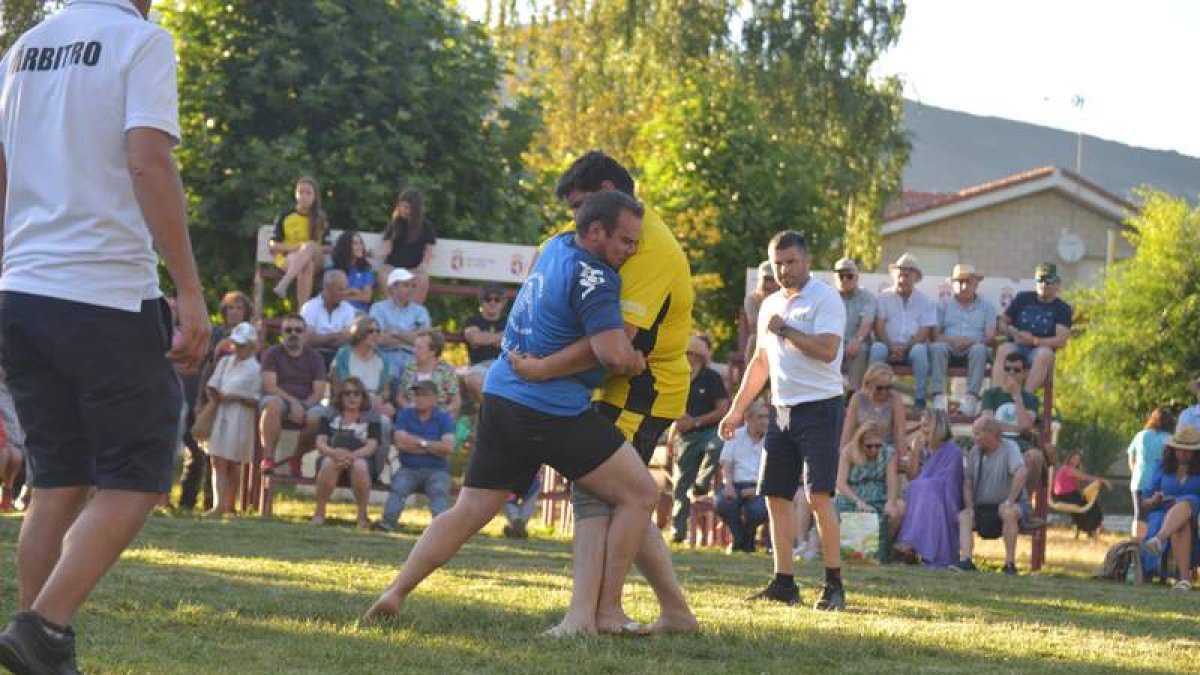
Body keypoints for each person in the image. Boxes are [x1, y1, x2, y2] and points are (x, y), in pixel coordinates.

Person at [0, 1, 211, 670]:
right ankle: (44, 627)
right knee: (141, 471)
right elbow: (148, 161)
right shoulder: (140, 41)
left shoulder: (25, 48)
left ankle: (39, 650)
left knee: (59, 479)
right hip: (101, 292)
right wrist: (190, 288)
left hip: (21, 286)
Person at [362, 190, 657, 632]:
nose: (632, 252)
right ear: (596, 232)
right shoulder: (596, 277)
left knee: (468, 511)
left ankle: (396, 591)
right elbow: (613, 355)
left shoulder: (557, 246)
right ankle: (609, 610)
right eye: (626, 241)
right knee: (640, 493)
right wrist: (634, 361)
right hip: (550, 412)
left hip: (501, 396)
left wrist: (541, 365)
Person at [509, 151, 698, 635]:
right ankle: (672, 612)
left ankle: (595, 613)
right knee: (621, 495)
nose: (575, 220)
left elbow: (616, 347)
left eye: (579, 206)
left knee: (603, 495)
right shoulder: (602, 234)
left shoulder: (647, 247)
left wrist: (541, 368)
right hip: (620, 386)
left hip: (641, 389)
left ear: (609, 191)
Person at [720, 229, 848, 611]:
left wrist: (787, 330)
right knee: (775, 495)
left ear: (807, 260)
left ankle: (834, 584)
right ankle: (784, 582)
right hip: (780, 408)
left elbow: (827, 351)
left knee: (818, 496)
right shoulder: (770, 304)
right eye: (778, 263)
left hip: (821, 407)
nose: (784, 269)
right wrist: (737, 409)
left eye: (791, 262)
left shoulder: (826, 299)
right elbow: (760, 363)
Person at [667, 335, 729, 543]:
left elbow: (722, 409)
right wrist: (675, 426)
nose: (689, 358)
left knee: (716, 445)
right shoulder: (676, 376)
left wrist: (695, 422)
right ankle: (678, 530)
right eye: (686, 354)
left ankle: (702, 484)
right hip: (684, 435)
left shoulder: (711, 377)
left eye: (692, 354)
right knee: (680, 483)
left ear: (701, 357)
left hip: (708, 430)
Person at [375, 381, 456, 532]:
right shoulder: (405, 414)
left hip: (437, 470)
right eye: (417, 395)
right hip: (408, 468)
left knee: (439, 490)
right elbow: (401, 443)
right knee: (398, 487)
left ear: (434, 398)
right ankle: (387, 524)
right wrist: (432, 447)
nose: (419, 399)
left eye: (424, 395)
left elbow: (447, 447)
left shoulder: (444, 418)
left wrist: (419, 443)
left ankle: (442, 531)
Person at [954, 418, 1030, 576]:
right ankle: (967, 560)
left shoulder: (1010, 448)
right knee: (964, 516)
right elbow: (967, 482)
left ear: (991, 434)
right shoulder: (975, 452)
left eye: (977, 433)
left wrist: (1009, 501)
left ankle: (1009, 564)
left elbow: (1021, 472)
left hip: (1006, 505)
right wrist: (969, 507)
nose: (974, 437)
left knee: (1009, 513)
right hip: (982, 508)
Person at [891, 409, 963, 568]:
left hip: (943, 497)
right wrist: (915, 451)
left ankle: (910, 545)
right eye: (922, 425)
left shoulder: (953, 451)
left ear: (939, 427)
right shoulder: (922, 448)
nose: (923, 429)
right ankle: (908, 548)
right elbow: (912, 477)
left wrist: (926, 485)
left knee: (925, 491)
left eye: (927, 425)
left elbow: (950, 481)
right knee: (919, 489)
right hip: (919, 495)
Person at [203, 322, 262, 516]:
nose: (238, 349)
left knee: (234, 460)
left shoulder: (256, 369)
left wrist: (236, 397)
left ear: (252, 346)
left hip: (241, 416)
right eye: (236, 344)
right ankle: (219, 504)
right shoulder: (225, 362)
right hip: (221, 412)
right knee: (217, 459)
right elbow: (214, 383)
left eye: (243, 345)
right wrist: (215, 395)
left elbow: (256, 399)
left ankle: (229, 504)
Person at [258, 314, 327, 473]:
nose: (293, 334)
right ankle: (268, 459)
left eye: (298, 330)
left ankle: (296, 457)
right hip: (279, 399)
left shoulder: (315, 358)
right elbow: (270, 387)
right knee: (272, 405)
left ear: (305, 333)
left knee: (320, 418)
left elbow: (319, 392)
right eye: (288, 330)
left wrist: (303, 406)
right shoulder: (272, 354)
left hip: (308, 404)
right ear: (282, 333)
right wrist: (293, 403)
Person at [311, 377, 382, 529]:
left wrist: (351, 456)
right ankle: (319, 512)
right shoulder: (329, 413)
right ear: (340, 396)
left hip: (360, 458)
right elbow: (320, 442)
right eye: (347, 393)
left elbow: (372, 445)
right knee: (329, 463)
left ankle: (362, 516)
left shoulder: (371, 416)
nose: (352, 397)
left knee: (360, 466)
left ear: (363, 397)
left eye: (357, 394)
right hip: (333, 456)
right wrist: (334, 453)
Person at [869, 253, 937, 411]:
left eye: (907, 275)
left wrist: (905, 347)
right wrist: (891, 346)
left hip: (912, 347)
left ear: (916, 277)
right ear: (894, 275)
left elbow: (924, 331)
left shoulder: (925, 301)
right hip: (888, 345)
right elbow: (879, 326)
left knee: (920, 351)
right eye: (900, 274)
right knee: (877, 348)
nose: (903, 278)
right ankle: (871, 395)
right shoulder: (883, 297)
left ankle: (919, 400)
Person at [993, 262, 1072, 393]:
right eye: (1040, 279)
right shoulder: (1023, 298)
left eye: (1049, 280)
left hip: (1040, 349)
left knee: (1044, 355)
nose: (1044, 284)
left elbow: (1061, 340)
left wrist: (1034, 341)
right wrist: (1011, 332)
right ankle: (997, 396)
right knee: (1003, 349)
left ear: (1057, 283)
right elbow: (1002, 322)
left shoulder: (1062, 308)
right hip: (1017, 345)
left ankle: (1026, 398)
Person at [929, 264, 996, 415]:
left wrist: (970, 341)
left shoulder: (987, 307)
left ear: (976, 283)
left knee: (980, 350)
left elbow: (990, 336)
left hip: (973, 349)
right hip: (948, 347)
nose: (964, 286)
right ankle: (939, 397)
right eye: (959, 282)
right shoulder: (942, 305)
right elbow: (935, 335)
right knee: (937, 347)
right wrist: (952, 341)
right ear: (952, 284)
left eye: (968, 281)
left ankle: (971, 398)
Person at [1139, 425, 1200, 591]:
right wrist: (1153, 500)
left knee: (1189, 500)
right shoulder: (1162, 466)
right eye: (1179, 449)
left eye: (1188, 450)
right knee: (1181, 524)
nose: (1182, 453)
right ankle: (1184, 580)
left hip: (1195, 513)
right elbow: (1145, 501)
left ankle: (1159, 538)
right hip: (1166, 514)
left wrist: (1181, 500)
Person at [980, 351, 1049, 493]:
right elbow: (988, 424)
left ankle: (1024, 501)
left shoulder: (1030, 399)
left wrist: (1017, 396)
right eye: (1007, 369)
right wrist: (1017, 429)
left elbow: (1027, 425)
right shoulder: (990, 395)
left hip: (1021, 446)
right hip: (996, 443)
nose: (1011, 373)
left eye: (1016, 370)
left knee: (1036, 457)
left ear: (1025, 373)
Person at [329, 316, 395, 443]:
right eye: (370, 331)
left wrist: (380, 399)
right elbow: (340, 386)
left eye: (378, 331)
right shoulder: (344, 354)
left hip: (373, 404)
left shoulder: (383, 358)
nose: (375, 334)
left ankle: (377, 462)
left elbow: (386, 390)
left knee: (385, 422)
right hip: (348, 401)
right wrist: (364, 401)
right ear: (360, 333)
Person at [716, 400, 769, 554]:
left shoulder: (772, 439)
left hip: (761, 485)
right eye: (760, 417)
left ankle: (745, 541)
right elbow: (726, 463)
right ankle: (741, 539)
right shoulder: (735, 435)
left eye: (767, 417)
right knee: (723, 502)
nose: (765, 421)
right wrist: (728, 484)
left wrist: (756, 489)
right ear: (749, 418)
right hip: (736, 484)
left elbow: (773, 469)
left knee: (758, 510)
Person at [270, 176, 330, 306]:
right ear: (295, 194)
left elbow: (327, 247)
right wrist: (298, 248)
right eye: (300, 192)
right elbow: (274, 244)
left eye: (308, 193)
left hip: (317, 259)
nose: (304, 196)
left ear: (315, 196)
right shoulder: (285, 214)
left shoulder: (321, 218)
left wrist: (309, 248)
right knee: (306, 264)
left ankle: (285, 282)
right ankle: (302, 313)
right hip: (289, 258)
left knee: (311, 246)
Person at [369, 267, 432, 376]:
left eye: (413, 286)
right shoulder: (378, 308)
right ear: (393, 287)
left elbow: (424, 341)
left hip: (414, 357)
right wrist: (411, 336)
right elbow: (377, 339)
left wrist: (395, 333)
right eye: (406, 285)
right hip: (385, 356)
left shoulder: (420, 311)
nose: (411, 289)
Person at [378, 188, 435, 304]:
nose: (404, 210)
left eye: (408, 208)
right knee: (383, 274)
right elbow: (387, 247)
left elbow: (429, 251)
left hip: (413, 268)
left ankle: (413, 313)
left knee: (423, 279)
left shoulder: (425, 226)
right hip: (394, 266)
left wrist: (422, 266)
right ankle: (391, 308)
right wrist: (373, 254)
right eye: (402, 206)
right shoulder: (394, 224)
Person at [840, 363, 907, 459]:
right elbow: (848, 430)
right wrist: (843, 455)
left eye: (888, 387)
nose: (884, 392)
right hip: (861, 449)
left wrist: (903, 457)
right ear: (868, 384)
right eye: (879, 388)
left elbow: (899, 432)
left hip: (885, 451)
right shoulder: (857, 398)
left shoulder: (895, 399)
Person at [1127, 408, 1175, 539]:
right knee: (1159, 514)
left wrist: (1136, 472)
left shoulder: (1141, 435)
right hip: (1159, 481)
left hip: (1138, 479)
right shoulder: (1170, 439)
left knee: (1139, 514)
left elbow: (1131, 457)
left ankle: (1136, 545)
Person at [397, 330, 462, 418]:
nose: (414, 351)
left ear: (433, 351)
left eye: (419, 348)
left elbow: (456, 402)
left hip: (438, 418)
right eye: (414, 347)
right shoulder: (409, 368)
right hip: (413, 417)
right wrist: (410, 409)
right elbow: (400, 397)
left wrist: (441, 413)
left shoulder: (446, 370)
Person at [833, 257, 876, 393]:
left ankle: (854, 394)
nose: (844, 279)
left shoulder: (867, 297)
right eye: (840, 275)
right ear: (835, 277)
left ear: (857, 278)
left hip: (855, 341)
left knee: (860, 349)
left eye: (849, 276)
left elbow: (867, 321)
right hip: (833, 342)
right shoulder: (827, 296)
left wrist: (858, 340)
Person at [462, 283, 508, 406]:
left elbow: (512, 343)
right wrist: (501, 336)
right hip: (479, 366)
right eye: (488, 299)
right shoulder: (472, 320)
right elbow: (476, 338)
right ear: (481, 302)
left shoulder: (509, 321)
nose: (492, 302)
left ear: (503, 303)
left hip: (505, 365)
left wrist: (484, 337)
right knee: (472, 379)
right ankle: (494, 412)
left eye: (497, 299)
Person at [299, 269, 357, 357]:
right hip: (313, 357)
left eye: (345, 289)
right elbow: (307, 340)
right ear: (327, 289)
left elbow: (347, 339)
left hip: (340, 358)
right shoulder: (309, 307)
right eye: (340, 289)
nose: (344, 293)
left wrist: (320, 338)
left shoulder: (348, 309)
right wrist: (337, 336)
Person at [1052, 451, 1110, 536]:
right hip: (1066, 496)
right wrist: (1103, 480)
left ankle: (1093, 529)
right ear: (1069, 459)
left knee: (1089, 505)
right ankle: (1094, 529)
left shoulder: (1066, 469)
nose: (1076, 461)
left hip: (1066, 496)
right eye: (1074, 459)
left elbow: (1080, 483)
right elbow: (1086, 477)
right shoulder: (1068, 469)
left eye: (1078, 460)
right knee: (1091, 507)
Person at [743, 260, 780, 361]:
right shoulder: (752, 299)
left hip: (783, 337)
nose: (768, 284)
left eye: (771, 280)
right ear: (759, 279)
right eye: (765, 279)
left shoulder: (784, 298)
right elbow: (754, 325)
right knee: (754, 340)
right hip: (762, 337)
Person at [331, 230, 376, 312]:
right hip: (337, 312)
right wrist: (354, 291)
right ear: (346, 246)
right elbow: (330, 296)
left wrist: (343, 295)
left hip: (358, 313)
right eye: (355, 244)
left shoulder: (365, 270)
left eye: (360, 243)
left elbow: (367, 297)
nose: (360, 247)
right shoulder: (334, 270)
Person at [503, 468, 543, 539]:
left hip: (511, 479)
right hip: (532, 479)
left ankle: (515, 520)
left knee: (508, 503)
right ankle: (521, 523)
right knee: (528, 505)